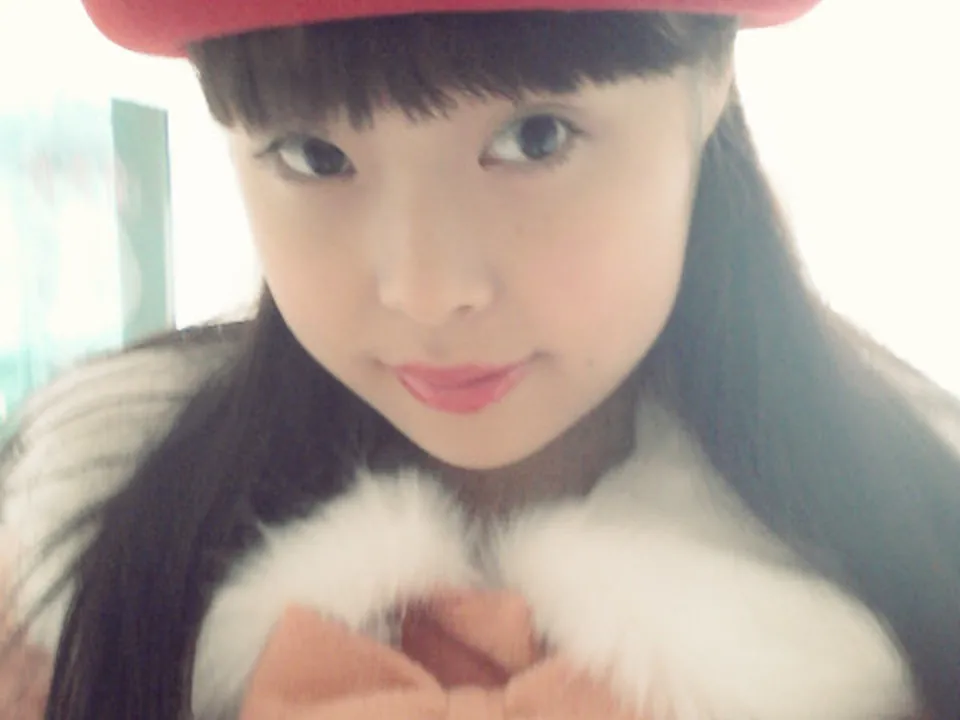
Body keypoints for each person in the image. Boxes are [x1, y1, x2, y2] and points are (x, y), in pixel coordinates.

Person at [1, 0, 958, 717]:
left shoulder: (927, 565)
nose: (426, 290)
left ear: (710, 78)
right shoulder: (78, 583)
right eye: (312, 155)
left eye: (536, 138)